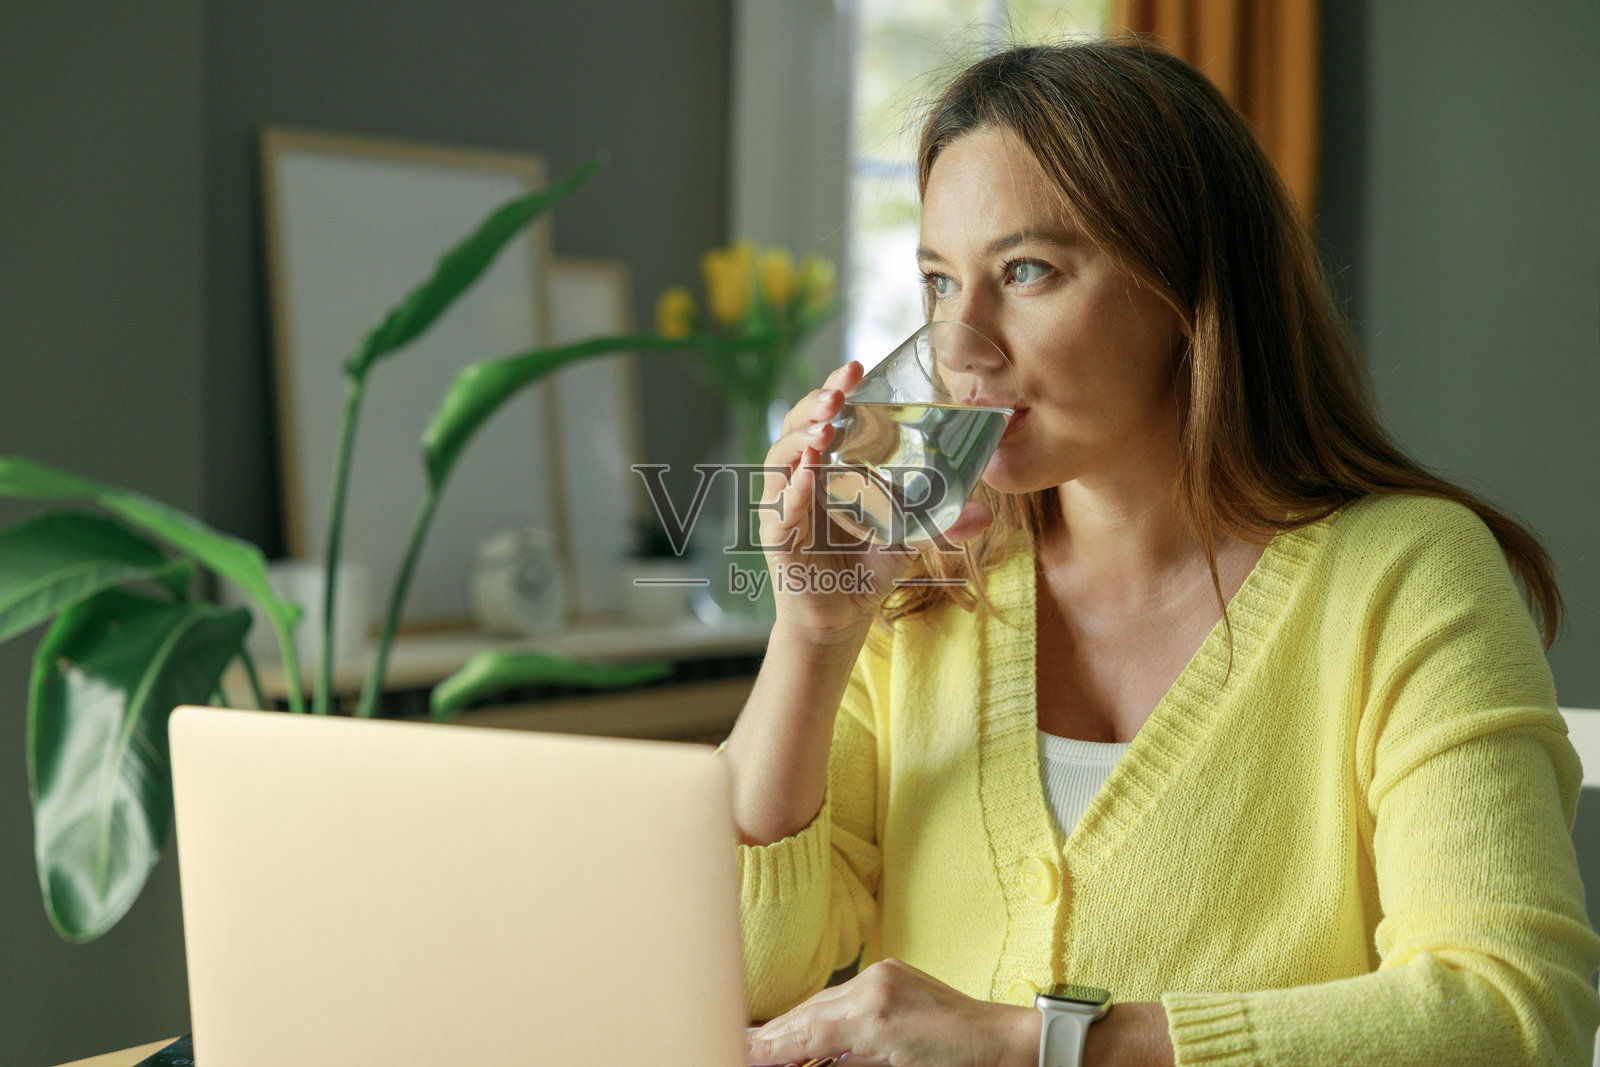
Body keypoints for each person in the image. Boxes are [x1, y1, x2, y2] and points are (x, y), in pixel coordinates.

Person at [721, 39, 1599, 1067]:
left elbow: (1512, 1011)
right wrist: (815, 631)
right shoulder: (920, 587)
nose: (963, 346)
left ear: (1185, 290)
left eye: (1027, 271)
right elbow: (734, 974)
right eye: (938, 283)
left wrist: (1040, 1044)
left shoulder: (1406, 574)